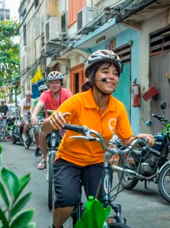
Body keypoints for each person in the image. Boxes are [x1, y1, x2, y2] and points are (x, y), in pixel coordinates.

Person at [41, 49, 155, 228]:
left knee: (103, 207)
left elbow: (126, 140)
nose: (111, 77)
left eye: (115, 73)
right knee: (68, 201)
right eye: (105, 71)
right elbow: (44, 127)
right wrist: (51, 121)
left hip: (97, 162)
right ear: (91, 76)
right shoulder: (77, 101)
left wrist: (138, 138)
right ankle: (55, 227)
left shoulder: (118, 108)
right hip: (69, 160)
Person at [31, 71, 72, 170]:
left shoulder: (67, 92)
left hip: (64, 122)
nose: (54, 85)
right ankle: (44, 158)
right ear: (48, 84)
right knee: (41, 132)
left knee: (71, 138)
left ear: (61, 83)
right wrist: (33, 116)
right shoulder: (45, 94)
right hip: (49, 122)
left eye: (57, 82)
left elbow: (72, 105)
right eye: (52, 82)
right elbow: (39, 105)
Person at [30, 84, 48, 157]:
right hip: (38, 117)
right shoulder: (36, 100)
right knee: (36, 130)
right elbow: (32, 109)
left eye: (45, 90)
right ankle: (37, 147)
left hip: (47, 117)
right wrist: (33, 116)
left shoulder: (51, 98)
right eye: (41, 91)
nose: (43, 92)